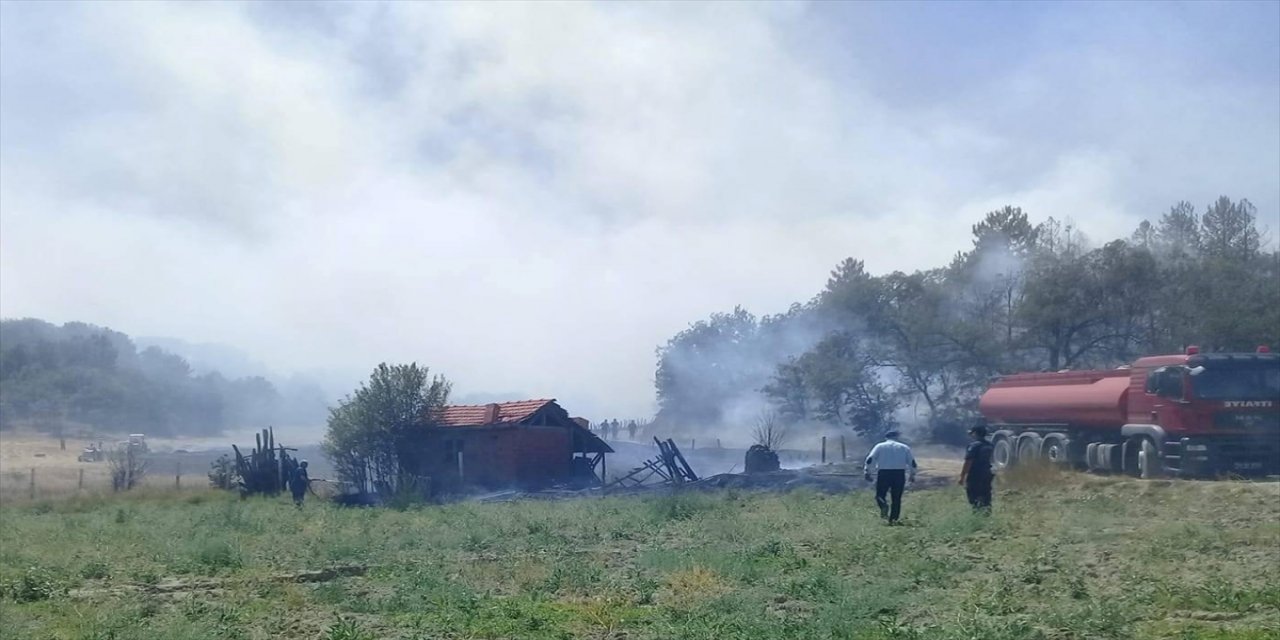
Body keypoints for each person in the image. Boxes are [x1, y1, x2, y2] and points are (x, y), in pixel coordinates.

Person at [864, 430, 917, 524]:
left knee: (880, 495)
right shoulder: (904, 447)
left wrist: (867, 472)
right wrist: (912, 474)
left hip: (884, 473)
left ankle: (883, 505)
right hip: (899, 474)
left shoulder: (879, 446)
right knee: (896, 497)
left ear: (886, 437)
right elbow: (912, 462)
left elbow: (870, 459)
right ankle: (893, 519)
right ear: (897, 437)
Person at [958, 425, 994, 512]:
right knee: (986, 495)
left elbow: (968, 462)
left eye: (972, 433)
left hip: (975, 475)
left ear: (975, 433)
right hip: (987, 473)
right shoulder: (990, 445)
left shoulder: (973, 446)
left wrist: (962, 477)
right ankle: (987, 514)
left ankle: (977, 514)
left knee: (974, 496)